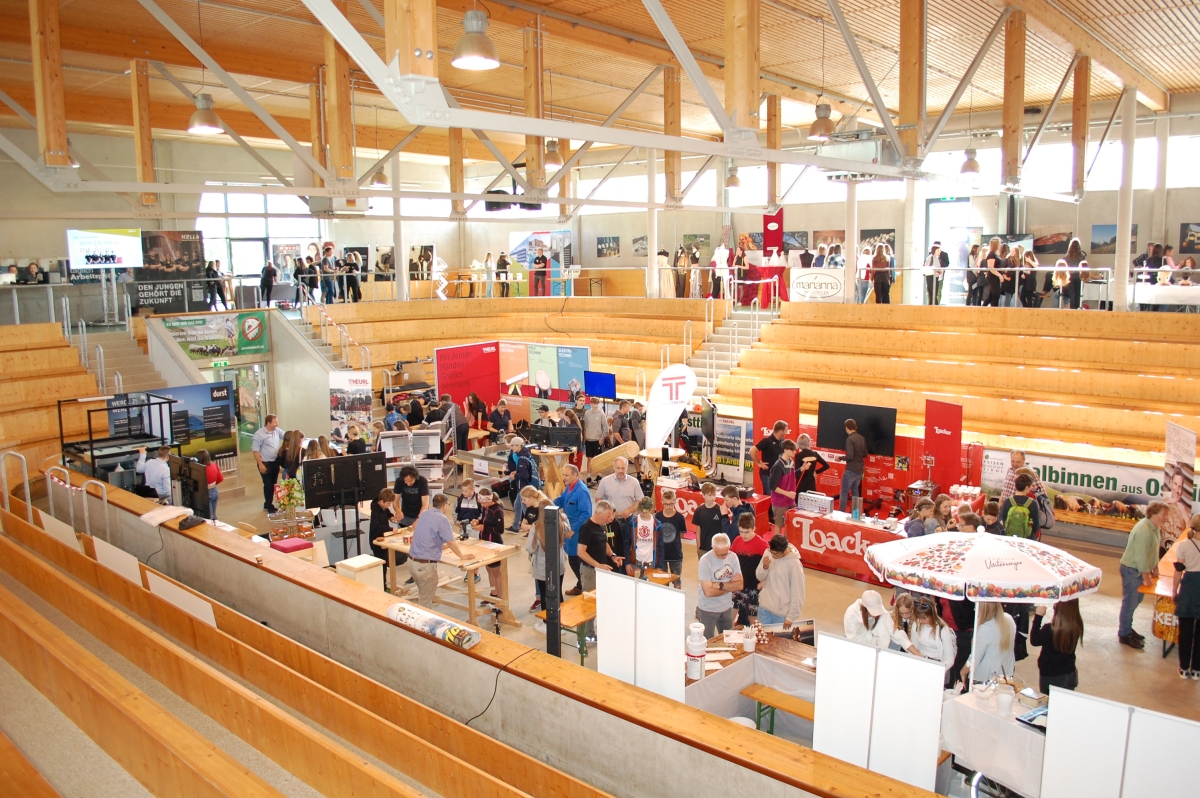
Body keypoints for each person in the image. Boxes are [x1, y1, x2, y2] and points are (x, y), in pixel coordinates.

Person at [1117, 502, 1168, 649]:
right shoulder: (1144, 531)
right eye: (1164, 514)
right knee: (1130, 603)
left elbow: (1153, 550)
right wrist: (1146, 578)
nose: (1166, 518)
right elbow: (1140, 557)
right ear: (1154, 514)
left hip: (1138, 570)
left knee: (1136, 601)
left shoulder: (1154, 528)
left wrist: (1155, 567)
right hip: (1132, 570)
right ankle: (1124, 634)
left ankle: (1127, 627)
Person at [408, 494, 470, 609]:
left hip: (412, 562)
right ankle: (423, 624)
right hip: (425, 566)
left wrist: (439, 546)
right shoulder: (442, 519)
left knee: (424, 594)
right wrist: (462, 556)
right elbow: (451, 542)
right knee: (425, 603)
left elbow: (428, 535)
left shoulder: (424, 513)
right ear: (445, 505)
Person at [522, 486, 569, 623]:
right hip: (559, 564)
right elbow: (568, 529)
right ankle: (561, 619)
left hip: (543, 567)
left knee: (545, 595)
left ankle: (547, 622)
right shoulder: (561, 524)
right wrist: (564, 518)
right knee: (558, 593)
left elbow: (530, 548)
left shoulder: (536, 528)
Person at [1030, 599, 1083, 693]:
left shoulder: (1049, 630)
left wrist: (1038, 617)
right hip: (1070, 673)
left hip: (1051, 676)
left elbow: (1034, 640)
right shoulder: (1077, 625)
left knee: (1049, 705)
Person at [696, 533, 743, 637]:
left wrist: (720, 585)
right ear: (712, 547)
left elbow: (740, 585)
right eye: (720, 554)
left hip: (726, 608)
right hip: (707, 609)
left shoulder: (733, 557)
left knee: (728, 641)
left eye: (726, 553)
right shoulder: (705, 561)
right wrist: (730, 585)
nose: (724, 557)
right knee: (707, 642)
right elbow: (708, 592)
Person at [756, 534, 805, 629]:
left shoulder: (794, 564)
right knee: (763, 641)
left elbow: (798, 592)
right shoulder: (768, 553)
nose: (773, 556)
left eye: (777, 554)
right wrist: (764, 567)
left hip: (781, 614)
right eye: (772, 552)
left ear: (785, 550)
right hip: (764, 608)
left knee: (779, 643)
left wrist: (791, 617)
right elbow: (759, 576)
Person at [558, 464, 593, 595]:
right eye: (563, 475)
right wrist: (547, 504)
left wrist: (573, 529)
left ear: (575, 475)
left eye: (566, 475)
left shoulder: (581, 491)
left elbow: (586, 514)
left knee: (576, 560)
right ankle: (581, 584)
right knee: (573, 558)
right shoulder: (569, 488)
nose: (564, 478)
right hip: (570, 530)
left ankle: (584, 587)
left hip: (578, 531)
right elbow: (561, 500)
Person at [962, 602, 1017, 683]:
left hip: (985, 680)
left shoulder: (985, 628)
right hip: (1006, 675)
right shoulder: (1009, 619)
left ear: (984, 608)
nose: (974, 609)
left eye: (976, 606)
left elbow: (974, 659)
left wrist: (963, 672)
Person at [909, 594, 958, 685]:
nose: (920, 621)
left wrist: (938, 670)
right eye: (918, 618)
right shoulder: (916, 625)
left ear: (931, 615)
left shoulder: (943, 630)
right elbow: (914, 648)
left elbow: (950, 659)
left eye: (924, 618)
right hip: (922, 663)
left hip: (939, 666)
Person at [1173, 516, 1200, 679]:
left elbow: (1178, 571)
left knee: (1185, 630)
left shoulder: (1183, 545)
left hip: (1188, 587)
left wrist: (1174, 591)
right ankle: (1197, 669)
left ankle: (1183, 668)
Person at [596, 456, 642, 546]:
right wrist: (610, 512)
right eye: (618, 468)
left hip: (628, 521)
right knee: (610, 545)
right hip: (609, 522)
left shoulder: (634, 482)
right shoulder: (605, 481)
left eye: (623, 468)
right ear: (614, 468)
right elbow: (598, 499)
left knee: (628, 545)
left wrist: (629, 511)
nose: (621, 471)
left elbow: (640, 500)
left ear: (627, 468)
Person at [471, 488, 506, 598]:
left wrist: (483, 528)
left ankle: (500, 598)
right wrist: (478, 521)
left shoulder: (497, 511)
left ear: (488, 500)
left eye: (482, 502)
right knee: (489, 570)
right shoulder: (485, 508)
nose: (481, 505)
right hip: (485, 542)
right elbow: (485, 519)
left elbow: (500, 530)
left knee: (496, 572)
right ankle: (493, 595)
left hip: (494, 543)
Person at [368, 488, 405, 584]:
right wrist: (391, 529)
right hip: (377, 541)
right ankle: (381, 584)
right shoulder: (375, 512)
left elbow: (387, 512)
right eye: (388, 503)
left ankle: (383, 582)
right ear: (381, 501)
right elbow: (377, 527)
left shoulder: (383, 507)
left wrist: (391, 516)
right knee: (381, 564)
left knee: (385, 563)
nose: (389, 505)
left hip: (384, 539)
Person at [252, 414, 284, 512]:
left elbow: (286, 435)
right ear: (268, 423)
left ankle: (268, 503)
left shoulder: (277, 431)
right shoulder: (259, 434)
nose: (276, 424)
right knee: (268, 484)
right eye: (275, 422)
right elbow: (255, 450)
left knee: (273, 484)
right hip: (265, 464)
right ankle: (269, 505)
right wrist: (260, 464)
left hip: (275, 463)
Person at [625, 497, 664, 576]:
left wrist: (659, 566)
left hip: (651, 562)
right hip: (635, 561)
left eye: (645, 512)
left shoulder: (657, 525)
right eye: (640, 511)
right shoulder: (633, 522)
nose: (642, 514)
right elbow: (627, 543)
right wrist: (627, 563)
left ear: (651, 510)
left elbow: (661, 546)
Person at [655, 489, 686, 588]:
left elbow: (682, 535)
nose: (668, 507)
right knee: (663, 581)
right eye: (666, 504)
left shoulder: (680, 518)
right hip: (661, 554)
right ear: (662, 502)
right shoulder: (658, 516)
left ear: (675, 502)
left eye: (671, 504)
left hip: (676, 554)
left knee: (676, 580)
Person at [768, 438, 798, 533]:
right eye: (792, 449)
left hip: (790, 500)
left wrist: (802, 468)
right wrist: (787, 493)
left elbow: (792, 476)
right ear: (785, 450)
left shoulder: (791, 462)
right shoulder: (778, 466)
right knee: (779, 526)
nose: (794, 451)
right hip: (780, 502)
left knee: (790, 525)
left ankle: (786, 545)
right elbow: (772, 486)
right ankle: (776, 547)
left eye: (794, 449)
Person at [1000, 473, 1041, 539]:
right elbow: (1036, 525)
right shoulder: (1033, 503)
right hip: (1027, 538)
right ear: (1027, 487)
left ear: (1016, 486)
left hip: (1009, 536)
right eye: (1030, 486)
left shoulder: (1008, 501)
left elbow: (1003, 519)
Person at [753, 420, 789, 495]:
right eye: (785, 430)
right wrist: (758, 463)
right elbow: (752, 450)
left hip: (778, 475)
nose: (787, 432)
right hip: (767, 474)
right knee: (769, 496)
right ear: (780, 431)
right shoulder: (767, 441)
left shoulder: (782, 441)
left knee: (777, 497)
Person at [839, 419, 867, 513]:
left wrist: (840, 458)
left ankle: (841, 513)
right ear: (855, 427)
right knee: (855, 492)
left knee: (844, 492)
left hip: (851, 469)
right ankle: (855, 513)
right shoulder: (862, 438)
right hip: (859, 470)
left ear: (847, 428)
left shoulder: (849, 439)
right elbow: (865, 454)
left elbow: (850, 456)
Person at [692, 482, 725, 557]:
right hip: (704, 548)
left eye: (714, 495)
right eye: (710, 495)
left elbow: (724, 530)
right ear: (703, 495)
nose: (713, 498)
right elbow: (698, 531)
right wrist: (698, 548)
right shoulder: (699, 511)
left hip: (717, 548)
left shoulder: (720, 510)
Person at [196, 449, 223, 520]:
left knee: (209, 516)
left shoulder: (202, 469)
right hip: (215, 490)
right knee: (214, 515)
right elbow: (220, 478)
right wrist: (213, 485)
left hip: (207, 492)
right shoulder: (214, 465)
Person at [1064, 238, 1086, 310]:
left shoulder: (1067, 257)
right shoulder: (1082, 256)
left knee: (1072, 295)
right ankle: (1077, 309)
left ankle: (1072, 309)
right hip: (1079, 276)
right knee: (1078, 295)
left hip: (1070, 276)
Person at [982, 238, 1003, 307]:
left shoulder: (995, 254)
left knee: (991, 297)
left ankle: (983, 309)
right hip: (992, 277)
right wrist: (1000, 275)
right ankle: (994, 310)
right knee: (996, 295)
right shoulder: (991, 255)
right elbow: (991, 268)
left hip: (995, 277)